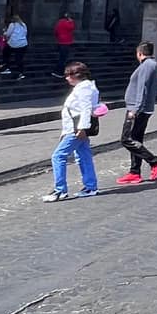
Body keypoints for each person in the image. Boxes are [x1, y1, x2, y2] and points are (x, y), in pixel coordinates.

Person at [45, 62, 101, 201]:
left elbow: (86, 108)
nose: (66, 78)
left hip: (76, 129)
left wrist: (82, 128)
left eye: (68, 75)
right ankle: (90, 186)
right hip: (76, 128)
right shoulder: (85, 87)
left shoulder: (83, 88)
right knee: (83, 156)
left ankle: (60, 190)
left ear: (76, 75)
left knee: (58, 156)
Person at [116, 41, 157, 186]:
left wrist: (135, 109)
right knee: (136, 139)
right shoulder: (153, 65)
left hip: (138, 108)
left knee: (126, 139)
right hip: (145, 107)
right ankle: (134, 172)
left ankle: (155, 161)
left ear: (139, 53)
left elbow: (142, 88)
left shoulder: (146, 66)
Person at [3, 14, 30, 79]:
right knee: (19, 58)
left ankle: (7, 67)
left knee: (5, 53)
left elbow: (8, 34)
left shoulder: (12, 24)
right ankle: (21, 72)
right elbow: (25, 33)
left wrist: (4, 32)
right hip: (23, 44)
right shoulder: (24, 24)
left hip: (14, 43)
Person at [53, 11, 77, 76]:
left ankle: (56, 70)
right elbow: (71, 27)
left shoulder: (59, 22)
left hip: (60, 41)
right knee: (63, 58)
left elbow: (55, 31)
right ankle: (59, 72)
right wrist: (71, 21)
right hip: (66, 42)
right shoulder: (67, 22)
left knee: (61, 57)